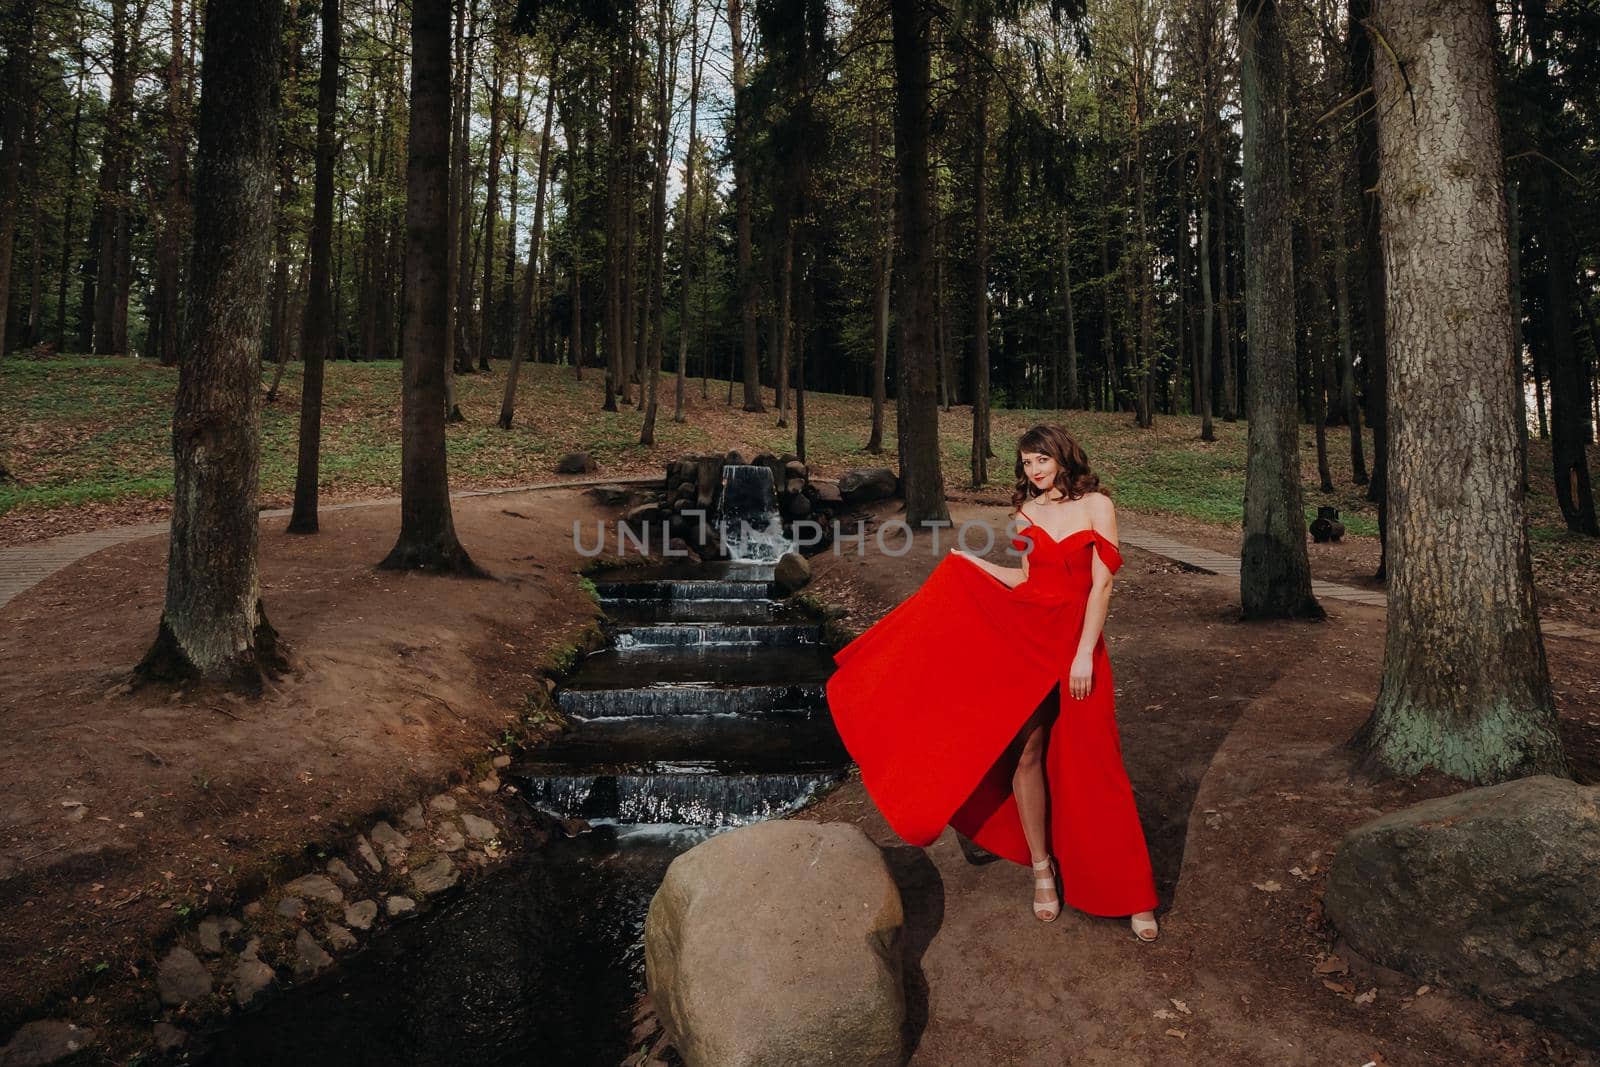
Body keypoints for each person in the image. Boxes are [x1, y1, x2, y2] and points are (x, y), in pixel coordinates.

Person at [824, 423, 1160, 941]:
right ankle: (1043, 869)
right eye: (1026, 462)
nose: (1034, 470)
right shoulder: (1026, 514)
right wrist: (972, 565)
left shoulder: (1097, 505)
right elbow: (1026, 580)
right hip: (1026, 642)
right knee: (1026, 752)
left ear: (1063, 456)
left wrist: (1084, 655)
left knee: (1096, 761)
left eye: (1041, 459)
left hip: (1076, 647)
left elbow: (1103, 585)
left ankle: (1129, 888)